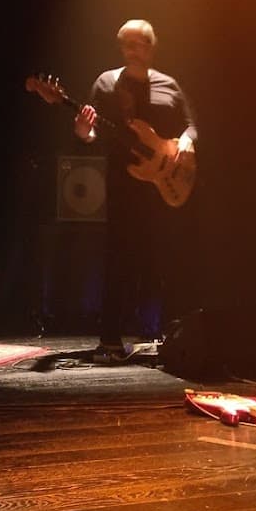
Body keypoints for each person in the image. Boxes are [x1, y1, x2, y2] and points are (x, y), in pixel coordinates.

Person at [73, 19, 196, 361]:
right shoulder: (107, 84)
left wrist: (186, 141)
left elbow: (190, 125)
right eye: (127, 44)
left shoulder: (169, 85)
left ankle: (166, 335)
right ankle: (110, 339)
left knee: (163, 258)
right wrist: (83, 130)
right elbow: (91, 133)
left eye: (140, 43)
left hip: (164, 185)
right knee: (118, 259)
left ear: (151, 47)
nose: (133, 50)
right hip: (123, 185)